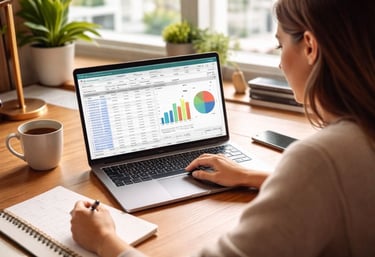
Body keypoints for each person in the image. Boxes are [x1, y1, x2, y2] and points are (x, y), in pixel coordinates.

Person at [70, 0, 375, 256]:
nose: (280, 63)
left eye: (280, 44)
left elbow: (323, 174)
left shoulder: (319, 158)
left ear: (309, 46)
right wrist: (253, 176)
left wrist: (103, 240)